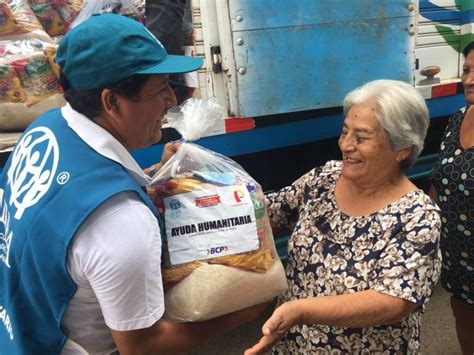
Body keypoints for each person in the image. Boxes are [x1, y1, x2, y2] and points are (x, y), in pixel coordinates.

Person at [0, 14, 265, 354]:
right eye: (161, 89)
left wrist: (158, 171)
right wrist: (242, 313)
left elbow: (72, 196)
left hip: (18, 331)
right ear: (112, 101)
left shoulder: (46, 130)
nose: (172, 100)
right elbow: (142, 346)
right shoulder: (123, 222)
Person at [245, 79, 442, 354]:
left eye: (360, 138)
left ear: (402, 149)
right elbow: (269, 213)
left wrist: (300, 310)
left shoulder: (416, 215)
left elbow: (394, 300)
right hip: (295, 346)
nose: (346, 145)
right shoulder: (324, 180)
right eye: (345, 132)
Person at [429, 41, 474, 355]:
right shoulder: (459, 117)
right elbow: (440, 178)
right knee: (463, 315)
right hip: (459, 253)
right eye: (468, 70)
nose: (469, 79)